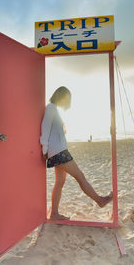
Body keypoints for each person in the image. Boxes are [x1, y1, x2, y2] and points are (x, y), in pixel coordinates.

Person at [39, 86, 113, 221]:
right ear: (61, 96)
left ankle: (54, 213)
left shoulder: (54, 109)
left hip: (58, 151)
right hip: (58, 152)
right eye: (67, 100)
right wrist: (44, 150)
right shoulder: (51, 108)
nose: (67, 103)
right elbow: (45, 129)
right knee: (80, 177)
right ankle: (100, 201)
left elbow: (55, 132)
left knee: (60, 182)